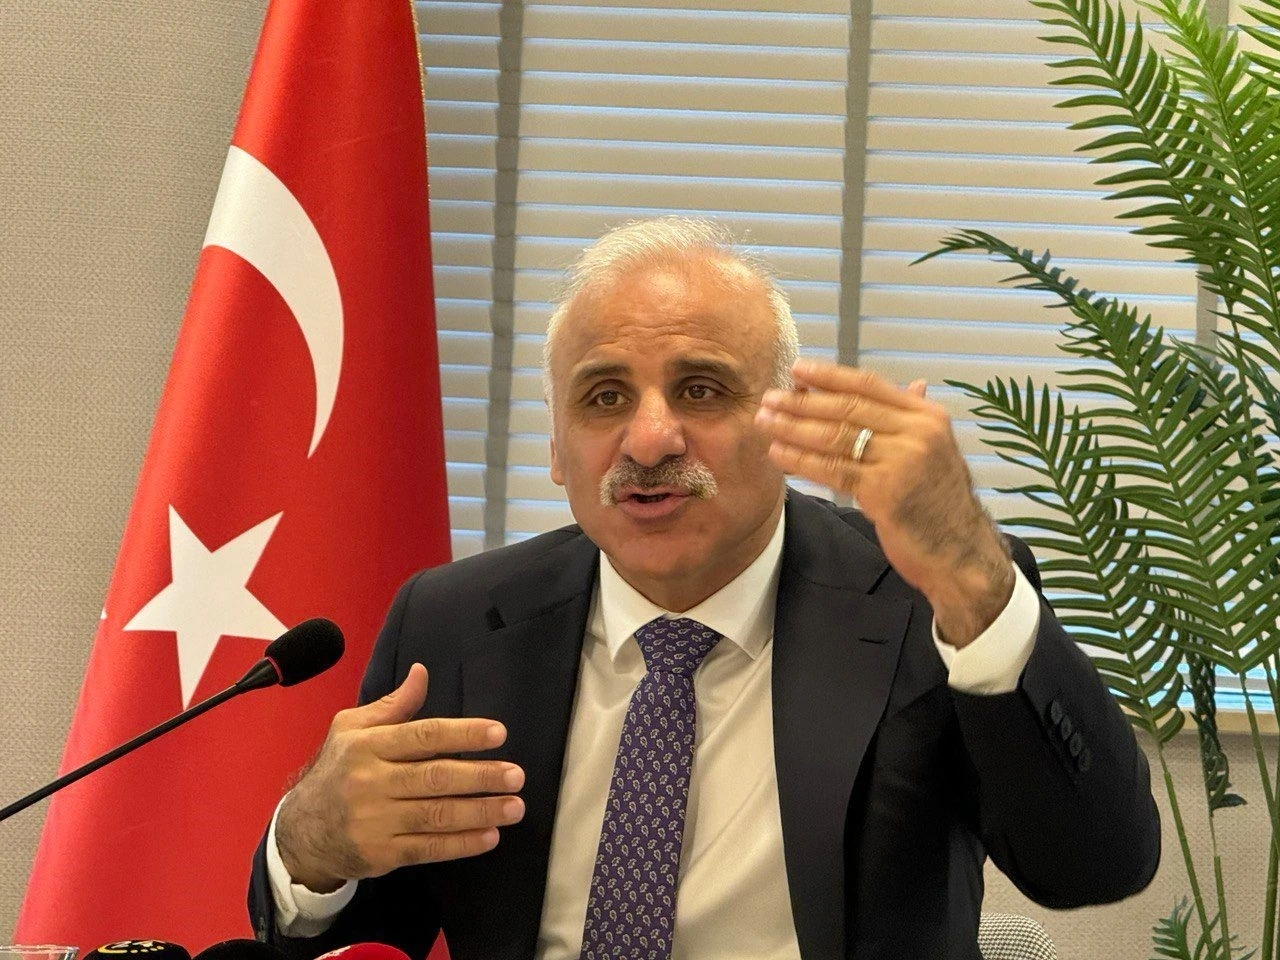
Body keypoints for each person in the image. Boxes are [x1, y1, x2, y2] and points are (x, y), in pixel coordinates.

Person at [248, 217, 1160, 960]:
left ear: (786, 424)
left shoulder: (923, 598)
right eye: (605, 397)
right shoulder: (454, 624)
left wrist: (975, 582)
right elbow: (367, 938)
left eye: (701, 390)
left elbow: (1097, 864)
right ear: (557, 448)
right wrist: (309, 846)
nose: (650, 440)